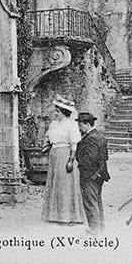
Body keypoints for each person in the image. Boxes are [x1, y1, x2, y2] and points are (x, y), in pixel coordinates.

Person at [41, 96, 85, 225]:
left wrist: (71, 160)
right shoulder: (54, 124)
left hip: (65, 154)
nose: (55, 113)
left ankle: (69, 216)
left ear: (64, 112)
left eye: (57, 111)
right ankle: (55, 214)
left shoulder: (71, 125)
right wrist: (46, 145)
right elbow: (48, 139)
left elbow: (74, 144)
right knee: (55, 183)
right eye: (55, 111)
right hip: (54, 154)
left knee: (65, 184)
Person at [75, 111, 110, 235]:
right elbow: (105, 157)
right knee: (96, 202)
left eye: (80, 125)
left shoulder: (90, 138)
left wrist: (80, 162)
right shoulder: (100, 136)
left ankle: (94, 231)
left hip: (89, 175)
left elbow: (89, 159)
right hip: (99, 175)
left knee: (90, 202)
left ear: (86, 124)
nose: (79, 128)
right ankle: (100, 229)